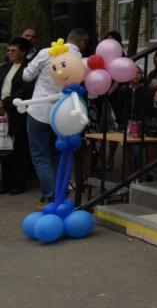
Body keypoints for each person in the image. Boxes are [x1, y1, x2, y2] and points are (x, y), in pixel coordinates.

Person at [22, 28, 87, 205]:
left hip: (39, 110)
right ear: (82, 43)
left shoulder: (47, 52)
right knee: (57, 155)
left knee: (40, 156)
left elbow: (26, 76)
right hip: (63, 114)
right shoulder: (80, 60)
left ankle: (52, 195)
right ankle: (61, 193)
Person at [1, 37, 34, 195]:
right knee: (4, 146)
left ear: (23, 52)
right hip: (2, 112)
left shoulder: (28, 69)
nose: (10, 53)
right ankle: (6, 182)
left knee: (19, 148)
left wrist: (5, 102)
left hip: (18, 112)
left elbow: (26, 91)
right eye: (8, 50)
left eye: (13, 50)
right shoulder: (5, 67)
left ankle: (19, 183)